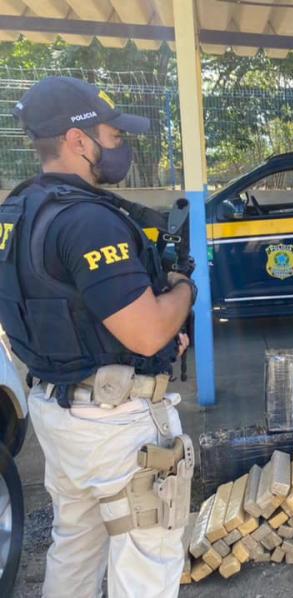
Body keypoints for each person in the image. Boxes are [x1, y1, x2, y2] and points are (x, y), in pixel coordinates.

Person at [0, 77, 196, 598]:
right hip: (114, 426)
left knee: (76, 548)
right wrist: (182, 290)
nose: (121, 148)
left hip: (58, 411)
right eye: (112, 136)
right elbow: (150, 330)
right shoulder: (88, 220)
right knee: (147, 560)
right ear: (78, 141)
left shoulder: (17, 212)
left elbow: (59, 308)